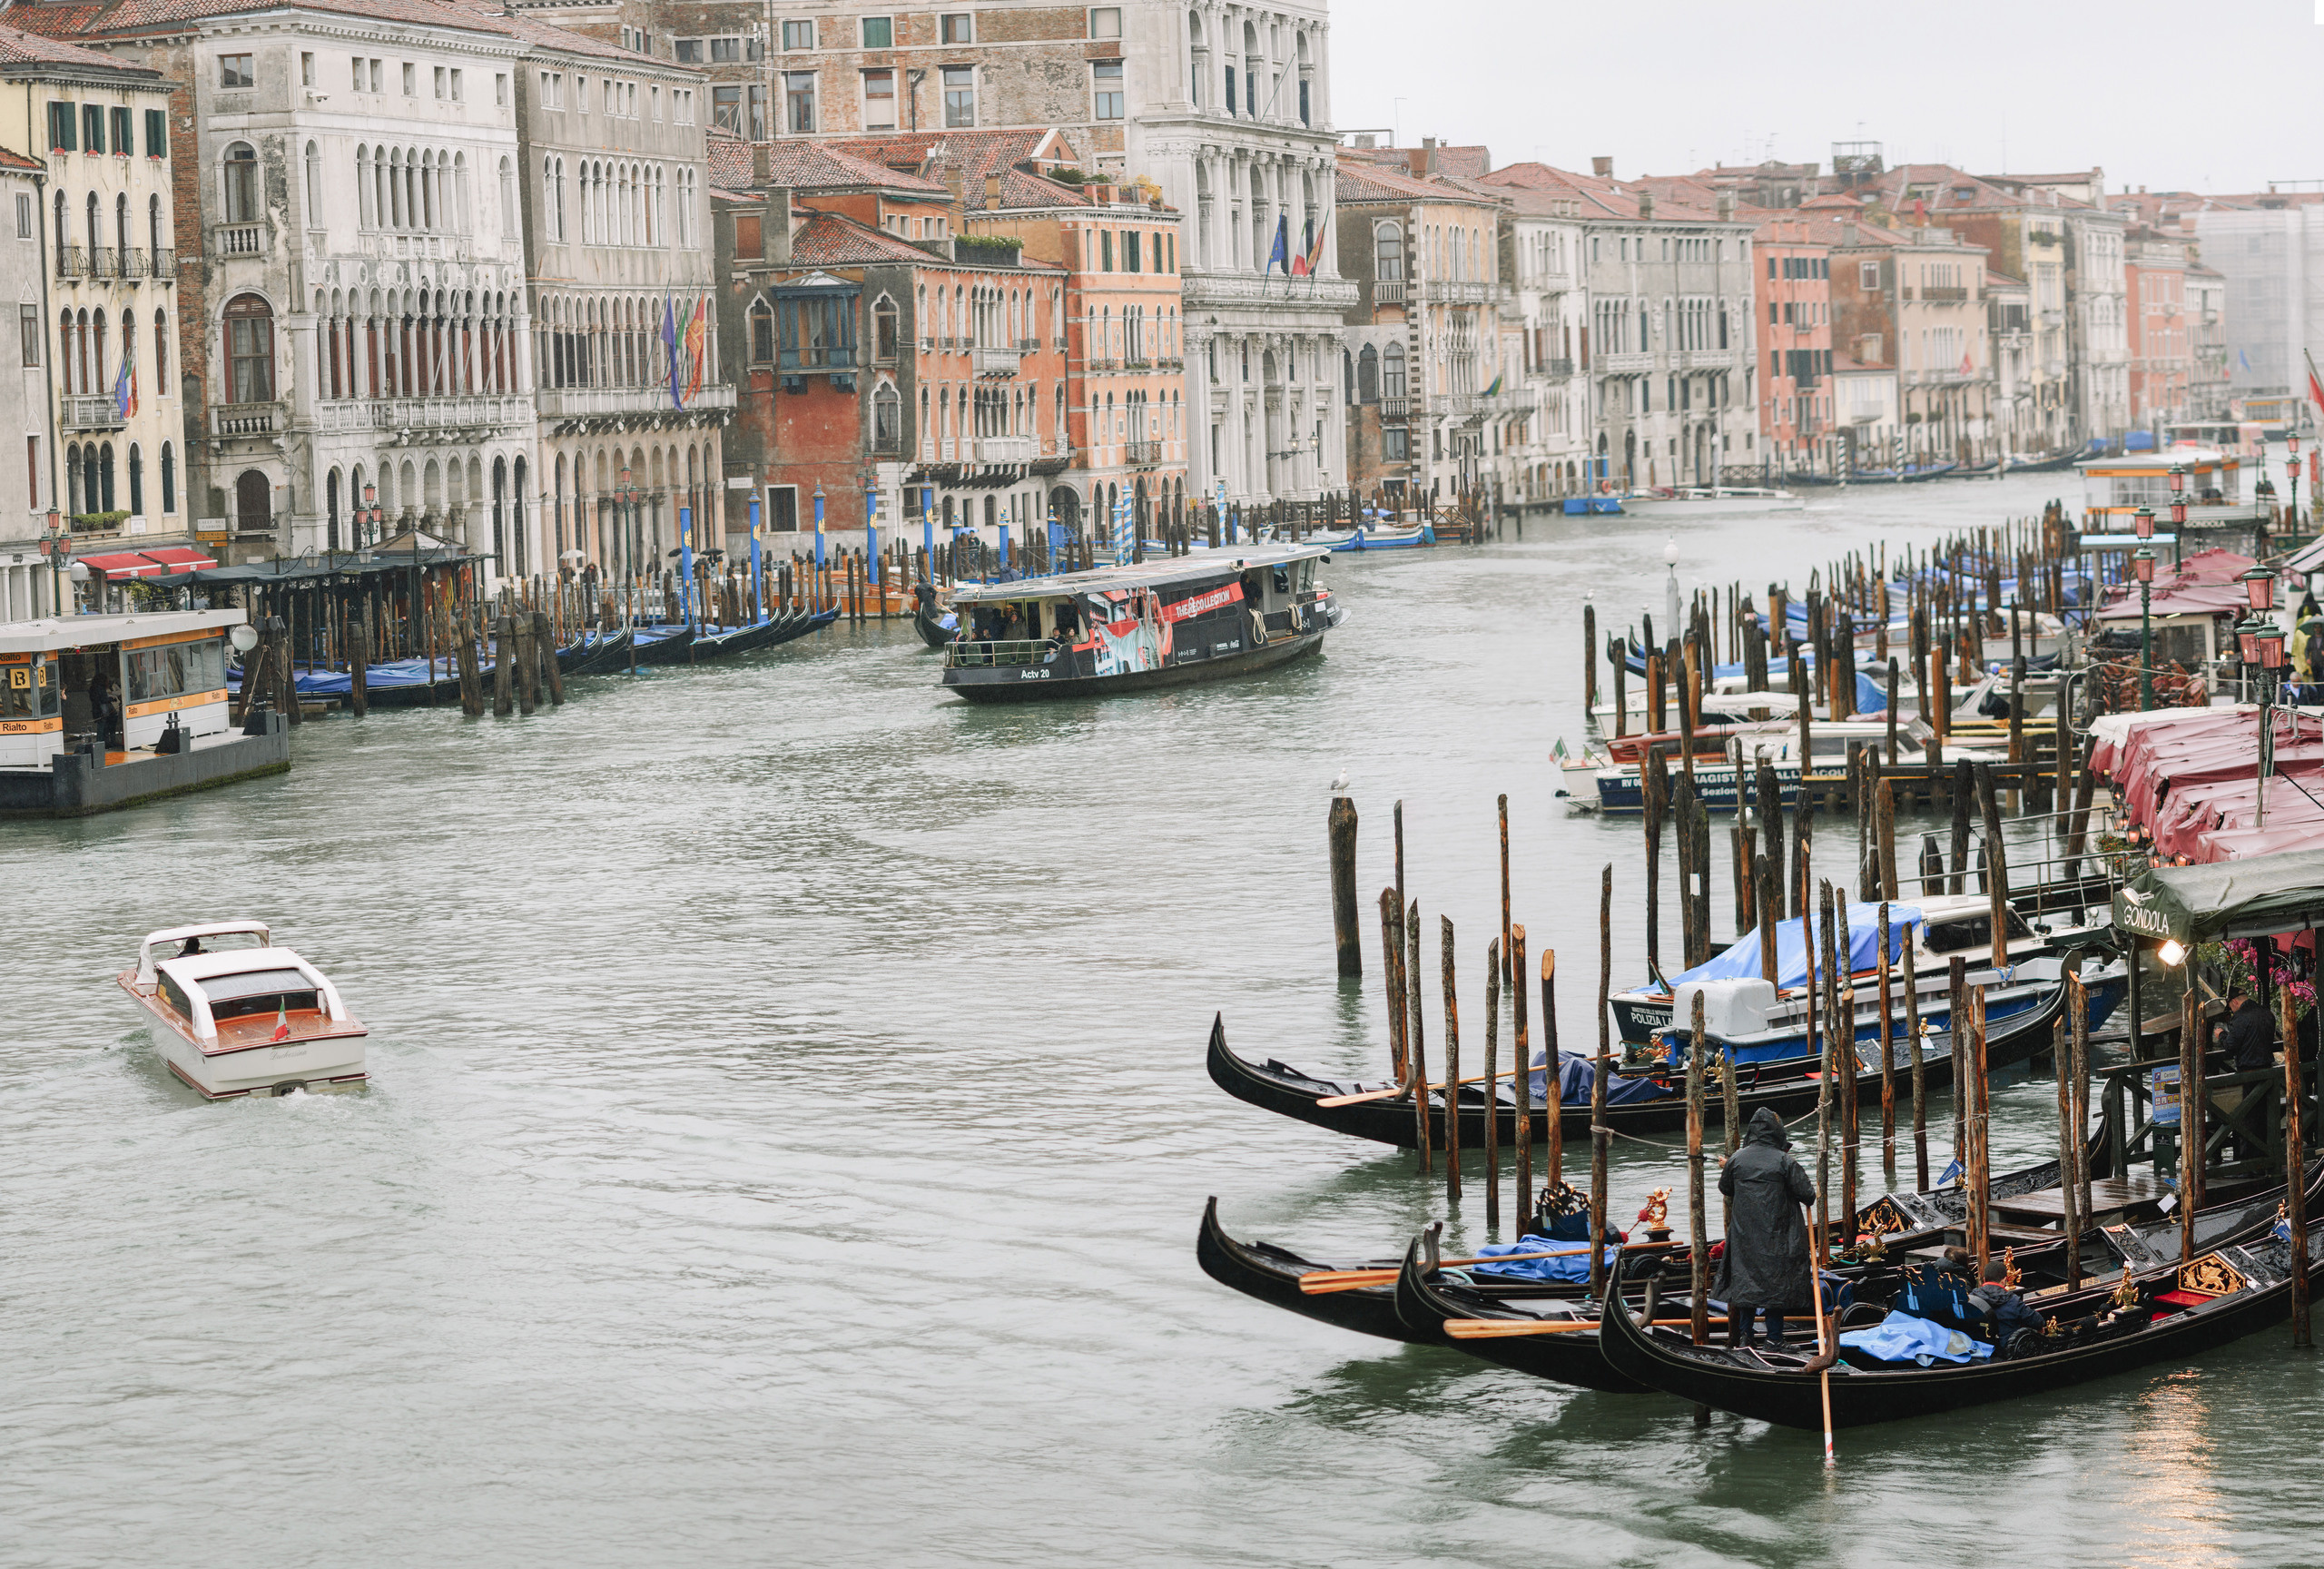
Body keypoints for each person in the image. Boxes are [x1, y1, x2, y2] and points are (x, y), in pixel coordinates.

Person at [1716, 1106, 1817, 1347]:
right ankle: (1774, 1339)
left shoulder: (1737, 1159)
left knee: (1745, 1281)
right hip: (1777, 1236)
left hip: (1745, 1235)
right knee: (1776, 1283)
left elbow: (1725, 1188)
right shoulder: (1784, 1160)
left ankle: (1745, 1336)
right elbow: (1808, 1195)